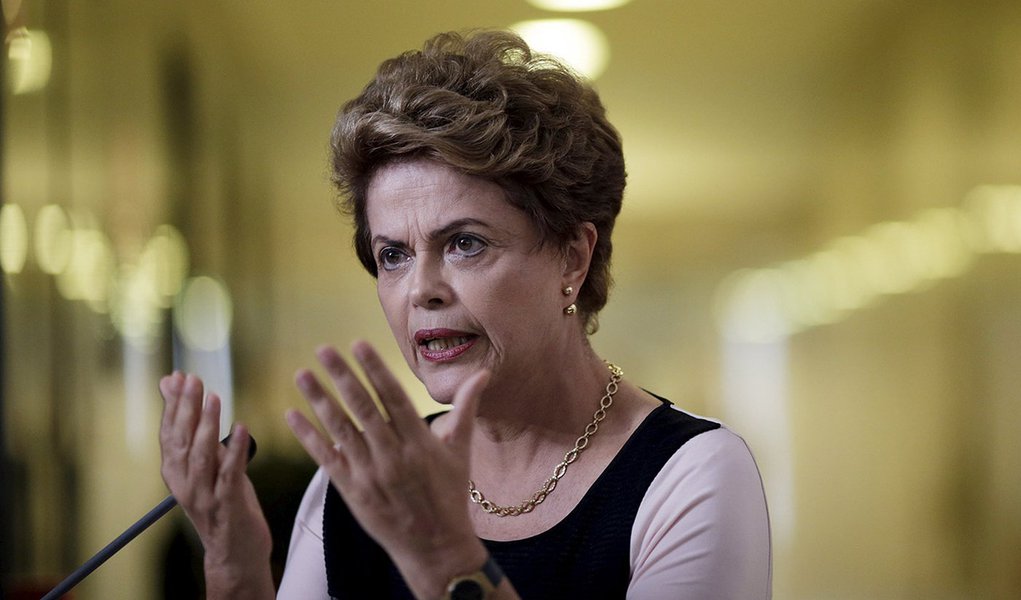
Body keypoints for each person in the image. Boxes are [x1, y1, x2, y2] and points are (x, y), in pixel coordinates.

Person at [157, 30, 771, 600]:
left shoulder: (693, 474)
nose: (421, 290)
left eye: (465, 243)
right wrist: (235, 564)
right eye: (392, 254)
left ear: (572, 260)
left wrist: (444, 555)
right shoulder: (361, 484)